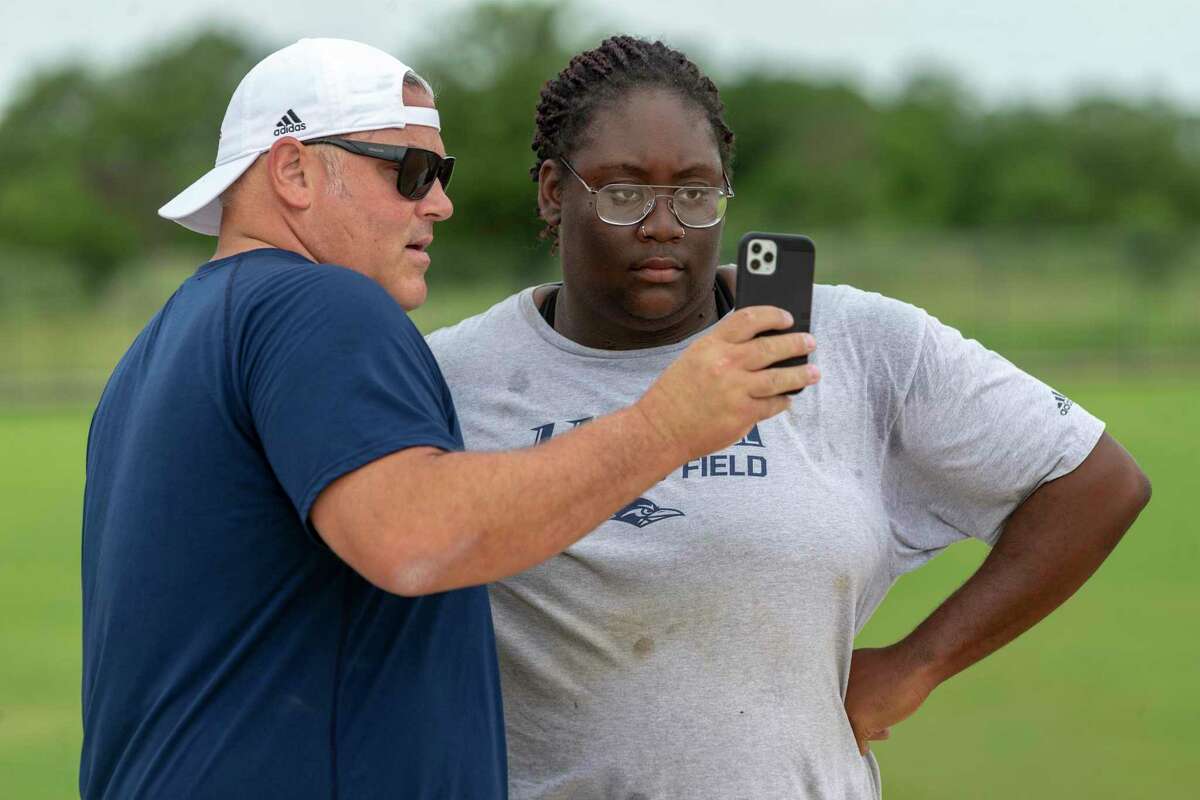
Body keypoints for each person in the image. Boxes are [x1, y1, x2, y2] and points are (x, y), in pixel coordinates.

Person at [80, 38, 817, 799]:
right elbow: (411, 539)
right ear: (293, 171)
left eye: (440, 175)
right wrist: (668, 424)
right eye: (410, 172)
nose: (439, 202)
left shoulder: (161, 345)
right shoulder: (321, 301)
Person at [425, 36, 1152, 799]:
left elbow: (1096, 479)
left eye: (696, 193)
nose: (665, 225)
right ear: (551, 191)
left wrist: (917, 664)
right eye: (624, 193)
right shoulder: (450, 378)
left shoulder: (853, 344)